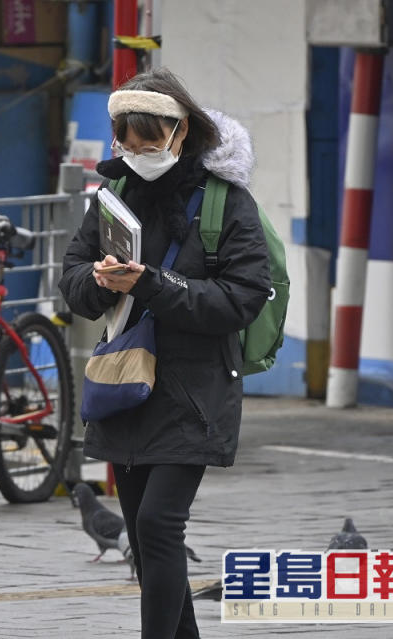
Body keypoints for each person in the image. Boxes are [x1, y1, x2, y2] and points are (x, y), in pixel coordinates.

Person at [58, 68, 271, 639]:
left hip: (195, 390)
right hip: (127, 384)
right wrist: (101, 281)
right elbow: (72, 280)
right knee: (145, 535)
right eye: (126, 140)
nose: (137, 152)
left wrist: (150, 282)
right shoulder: (113, 194)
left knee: (157, 525)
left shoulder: (226, 203)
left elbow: (242, 299)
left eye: (149, 139)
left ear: (181, 134)